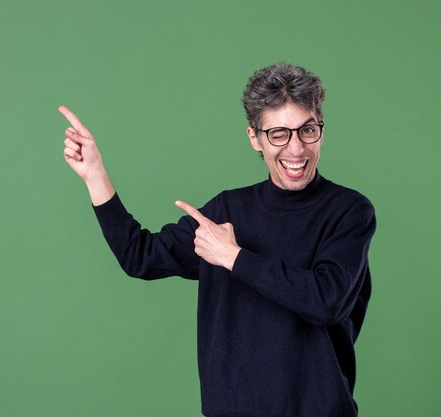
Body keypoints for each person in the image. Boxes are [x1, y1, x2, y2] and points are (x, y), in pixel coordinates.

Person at [59, 62, 376, 417]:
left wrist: (234, 257)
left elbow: (326, 301)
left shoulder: (349, 211)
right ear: (254, 138)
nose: (296, 149)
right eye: (279, 134)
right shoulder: (227, 210)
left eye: (307, 130)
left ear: (321, 129)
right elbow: (140, 256)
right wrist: (95, 174)